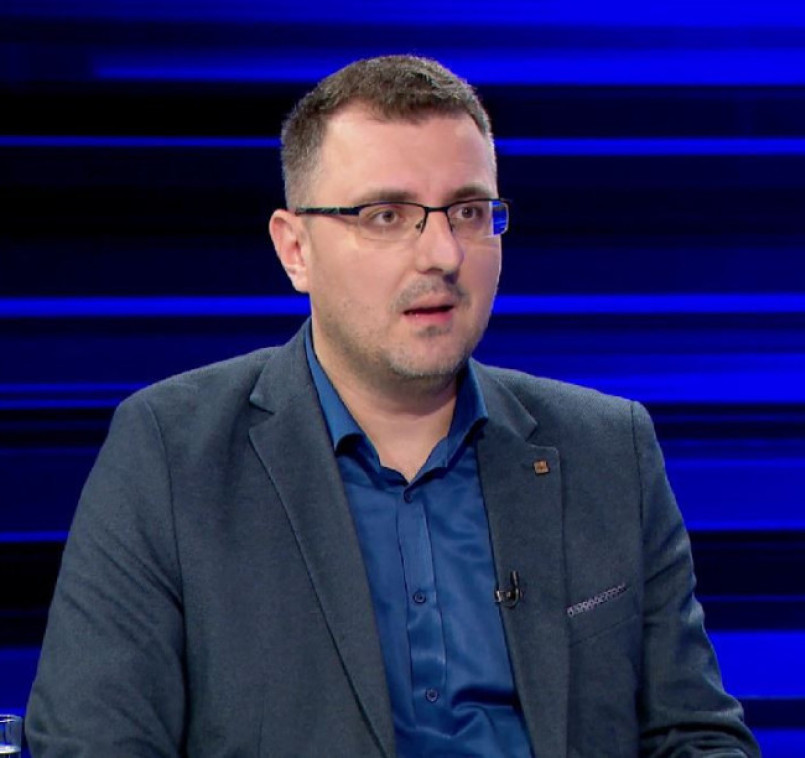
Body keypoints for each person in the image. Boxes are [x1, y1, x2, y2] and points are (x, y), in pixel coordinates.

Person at [26, 55, 761, 757]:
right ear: (295, 249)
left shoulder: (608, 448)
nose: (442, 253)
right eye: (386, 215)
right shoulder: (170, 453)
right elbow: (94, 741)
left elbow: (695, 736)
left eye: (468, 211)